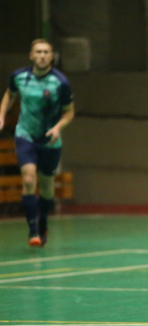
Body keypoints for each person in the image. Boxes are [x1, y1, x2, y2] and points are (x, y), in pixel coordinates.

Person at [0, 39, 75, 247]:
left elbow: (69, 112)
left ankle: (42, 223)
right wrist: (2, 115)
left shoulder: (60, 83)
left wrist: (58, 127)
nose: (42, 55)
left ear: (51, 56)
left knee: (47, 187)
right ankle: (33, 231)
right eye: (38, 52)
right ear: (31, 55)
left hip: (50, 140)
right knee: (29, 179)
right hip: (25, 135)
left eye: (46, 52)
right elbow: (9, 94)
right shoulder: (19, 77)